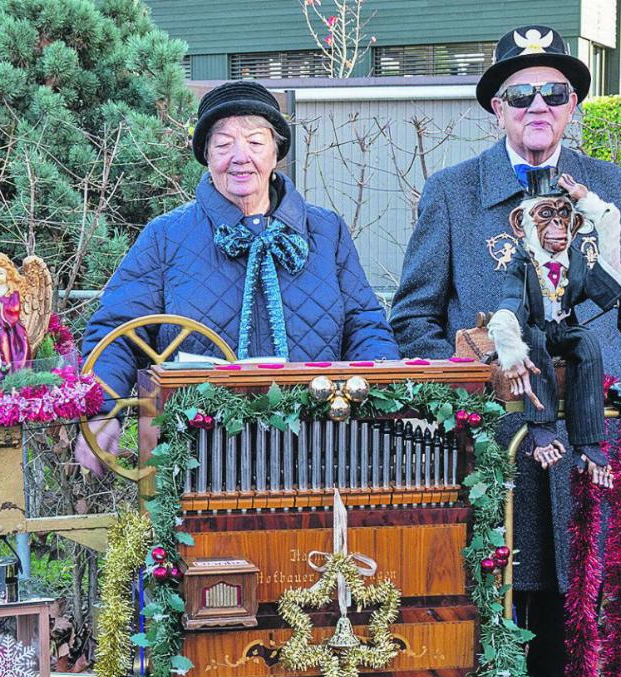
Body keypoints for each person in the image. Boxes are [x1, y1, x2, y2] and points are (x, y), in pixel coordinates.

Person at [390, 25, 621, 677]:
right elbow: (413, 317)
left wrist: (611, 378)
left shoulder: (610, 191)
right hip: (489, 428)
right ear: (498, 109)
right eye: (520, 93)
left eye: (554, 92)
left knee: (562, 585)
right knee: (485, 573)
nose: (537, 104)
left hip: (584, 427)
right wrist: (473, 374)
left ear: (572, 105)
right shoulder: (453, 192)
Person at [76, 81, 399, 474]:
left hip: (321, 450)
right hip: (200, 458)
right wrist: (104, 411)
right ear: (207, 156)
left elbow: (364, 324)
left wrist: (382, 397)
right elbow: (118, 330)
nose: (240, 157)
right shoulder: (167, 236)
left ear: (277, 151)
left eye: (255, 142)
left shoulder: (325, 231)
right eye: (224, 144)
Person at [489, 171, 621, 489]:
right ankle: (541, 430)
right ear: (521, 224)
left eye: (564, 216)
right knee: (533, 338)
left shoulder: (575, 261)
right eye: (546, 216)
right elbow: (512, 304)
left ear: (575, 224)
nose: (557, 227)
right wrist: (507, 337)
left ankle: (588, 443)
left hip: (562, 328)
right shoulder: (523, 264)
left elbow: (606, 284)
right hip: (534, 329)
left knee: (587, 341)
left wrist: (588, 203)